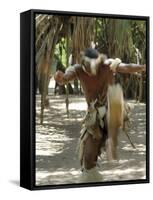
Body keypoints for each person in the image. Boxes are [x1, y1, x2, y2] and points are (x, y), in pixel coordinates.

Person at [54, 48, 146, 181]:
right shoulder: (78, 69)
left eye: (93, 66)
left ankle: (110, 139)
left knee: (112, 107)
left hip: (111, 109)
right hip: (94, 117)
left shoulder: (108, 66)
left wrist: (143, 67)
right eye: (87, 67)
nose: (90, 70)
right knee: (88, 159)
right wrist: (61, 78)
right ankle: (92, 179)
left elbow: (125, 67)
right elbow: (66, 76)